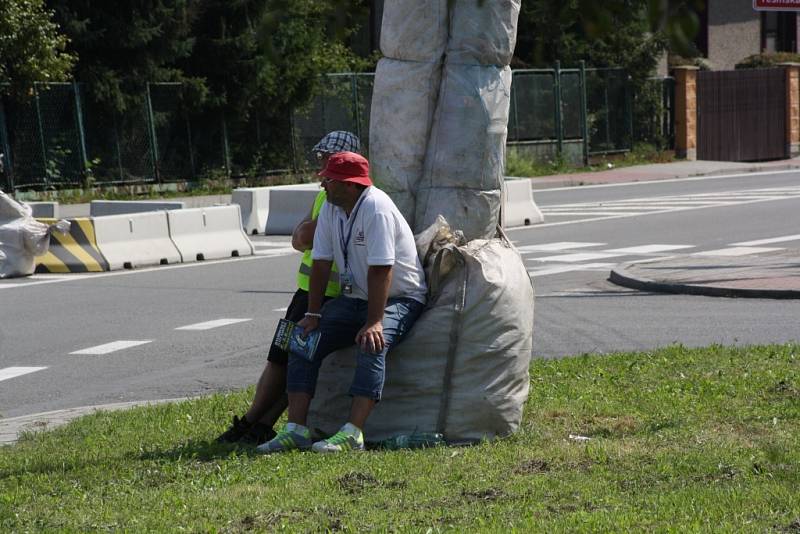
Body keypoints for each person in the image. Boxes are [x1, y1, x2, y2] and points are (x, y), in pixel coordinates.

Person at [257, 151, 427, 454]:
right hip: (355, 298)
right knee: (301, 338)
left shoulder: (376, 209)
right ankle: (296, 429)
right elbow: (321, 262)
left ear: (351, 185)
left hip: (398, 298)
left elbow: (381, 270)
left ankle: (353, 433)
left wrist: (374, 321)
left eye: (329, 180)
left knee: (371, 342)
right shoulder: (332, 209)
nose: (323, 185)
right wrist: (312, 314)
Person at [216, 131, 360, 444]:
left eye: (326, 157)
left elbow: (307, 236)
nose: (320, 163)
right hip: (306, 292)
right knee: (285, 357)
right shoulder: (326, 192)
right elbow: (299, 236)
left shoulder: (341, 191)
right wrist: (305, 232)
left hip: (321, 295)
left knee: (288, 358)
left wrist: (306, 232)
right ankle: (258, 423)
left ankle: (255, 422)